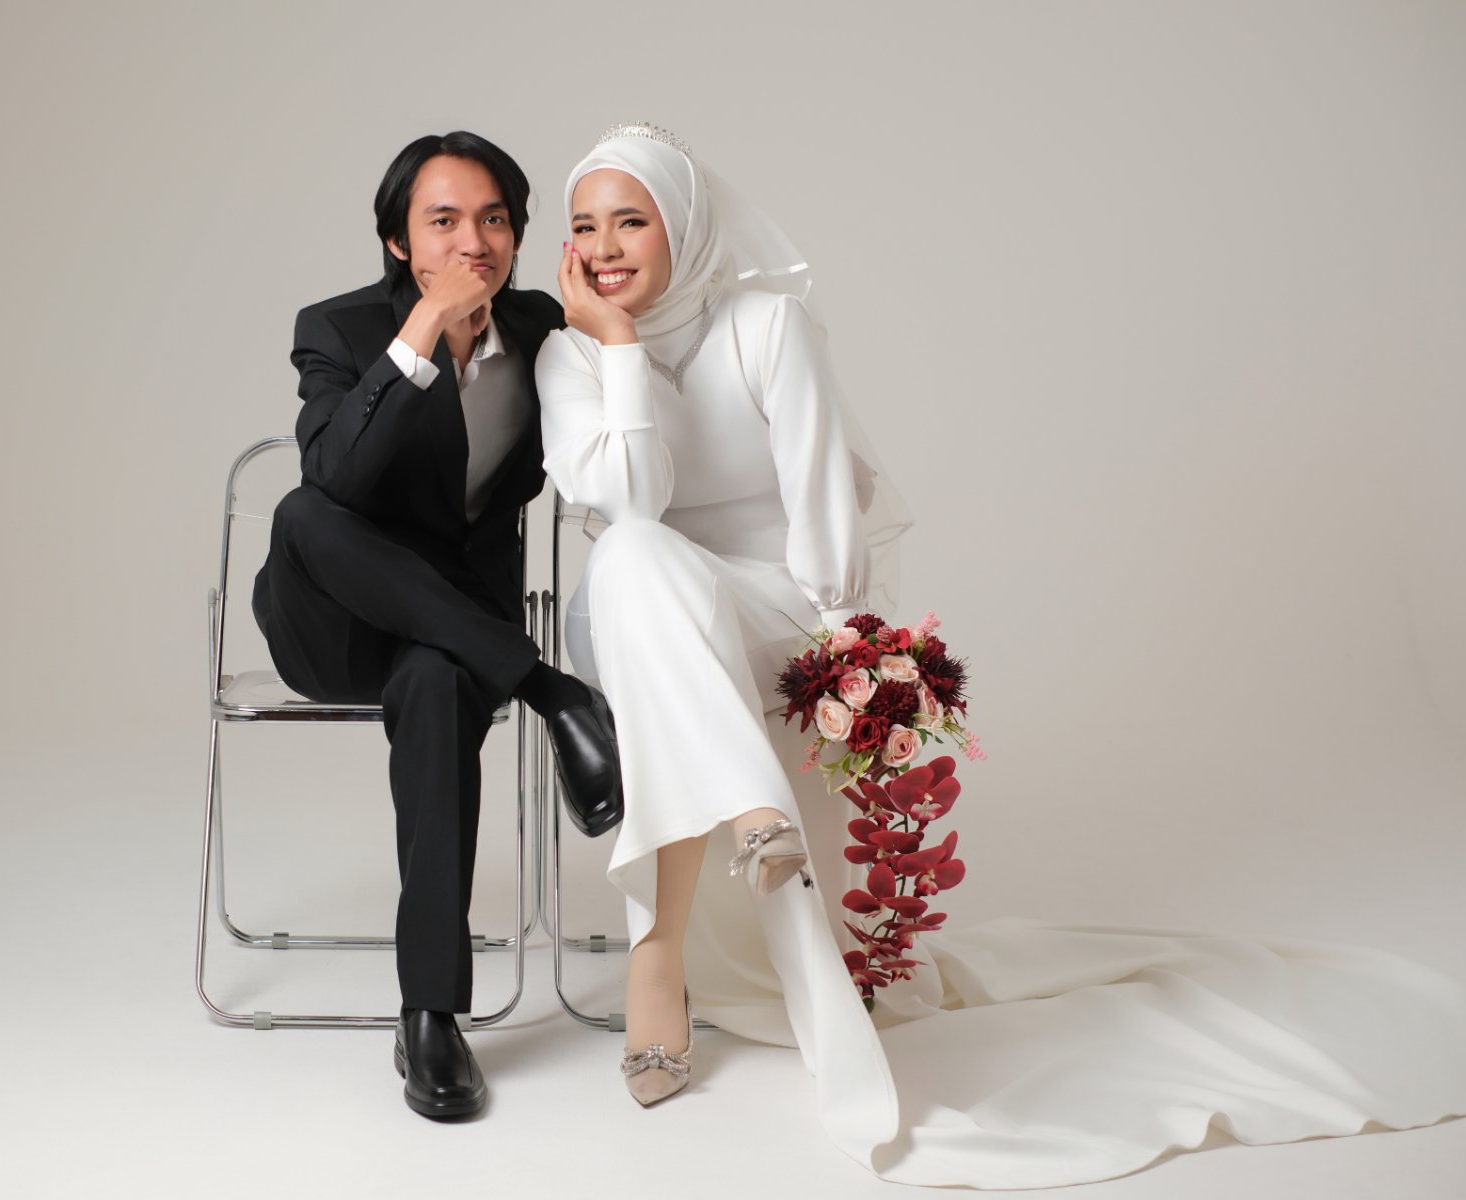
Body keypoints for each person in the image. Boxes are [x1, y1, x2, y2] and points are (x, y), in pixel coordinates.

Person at [537, 123, 1466, 1185]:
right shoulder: (571, 356)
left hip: (779, 608)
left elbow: (821, 502)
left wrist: (848, 646)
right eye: (583, 228)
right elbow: (632, 502)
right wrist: (617, 347)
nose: (604, 248)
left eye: (631, 221)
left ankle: (660, 951)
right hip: (652, 615)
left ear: (684, 225)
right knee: (637, 555)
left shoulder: (764, 325)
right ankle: (741, 835)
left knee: (653, 592)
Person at [255, 131, 622, 1121]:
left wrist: (610, 319)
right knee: (303, 510)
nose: (474, 241)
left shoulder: (544, 331)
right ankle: (553, 692)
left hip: (451, 639)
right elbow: (336, 476)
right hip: (333, 626)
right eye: (445, 220)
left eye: (494, 219)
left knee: (434, 678)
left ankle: (429, 1017)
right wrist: (421, 331)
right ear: (398, 242)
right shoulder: (337, 331)